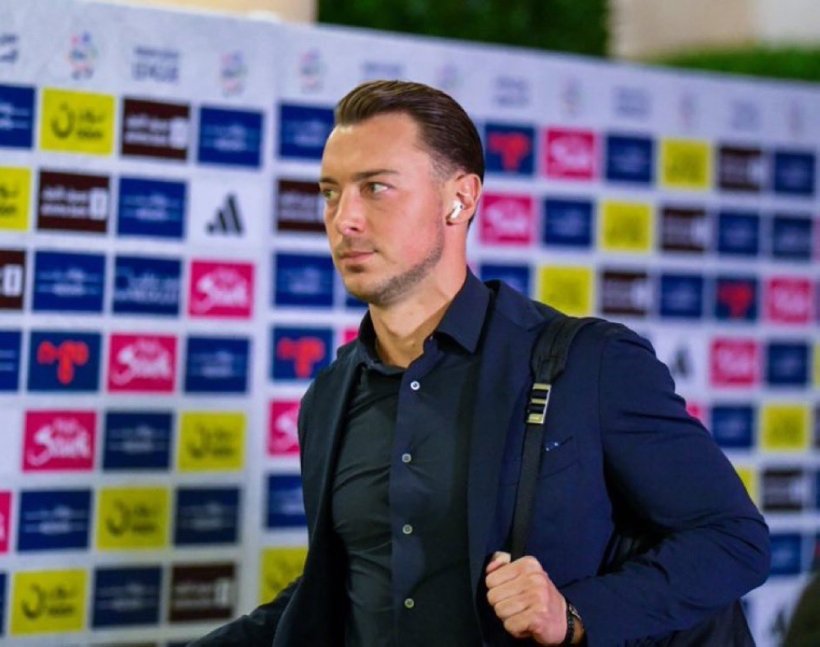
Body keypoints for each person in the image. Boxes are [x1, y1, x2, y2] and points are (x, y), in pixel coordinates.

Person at [191, 80, 770, 646]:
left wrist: (575, 614)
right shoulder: (329, 397)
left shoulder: (590, 363)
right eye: (330, 192)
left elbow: (733, 538)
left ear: (461, 199)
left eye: (376, 188)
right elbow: (344, 595)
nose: (344, 219)